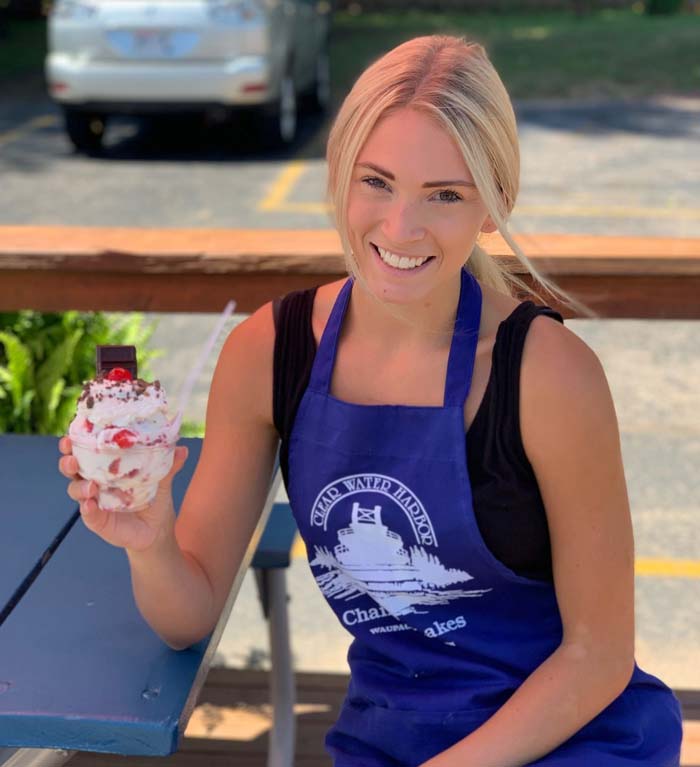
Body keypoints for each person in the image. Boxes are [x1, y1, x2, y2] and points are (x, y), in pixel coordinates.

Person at [58, 34, 682, 767]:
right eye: (377, 181)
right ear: (339, 177)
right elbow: (184, 618)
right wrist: (150, 538)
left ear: (494, 203)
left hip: (571, 738)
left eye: (444, 194)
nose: (399, 227)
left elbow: (599, 656)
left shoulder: (549, 375)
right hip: (387, 739)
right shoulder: (268, 352)